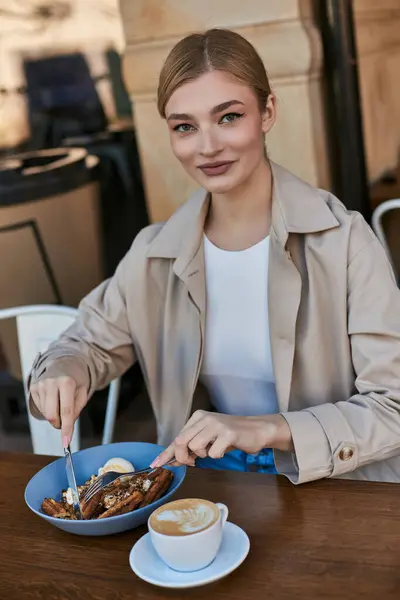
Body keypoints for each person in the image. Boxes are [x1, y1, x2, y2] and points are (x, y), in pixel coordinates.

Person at [29, 29, 400, 484]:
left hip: (329, 484)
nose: (207, 147)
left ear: (267, 112)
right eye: (185, 126)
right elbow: (84, 344)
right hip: (206, 484)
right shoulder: (153, 254)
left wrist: (267, 429)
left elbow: (393, 407)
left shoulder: (345, 242)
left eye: (228, 117)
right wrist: (63, 370)